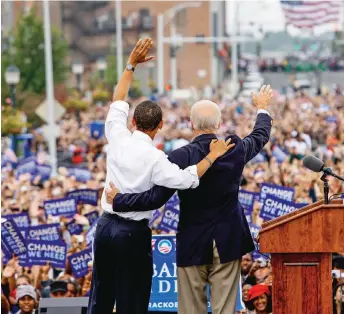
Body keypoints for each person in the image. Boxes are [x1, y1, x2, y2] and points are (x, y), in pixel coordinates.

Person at [87, 38, 234, 314]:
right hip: (131, 233)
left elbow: (118, 99)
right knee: (133, 300)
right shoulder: (157, 159)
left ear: (133, 122)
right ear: (160, 126)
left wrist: (130, 65)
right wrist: (212, 157)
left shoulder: (117, 136)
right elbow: (189, 179)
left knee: (100, 298)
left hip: (104, 227)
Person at [105, 85, 274, 313]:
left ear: (192, 125)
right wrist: (262, 108)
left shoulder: (178, 157)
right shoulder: (234, 150)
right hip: (227, 240)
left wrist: (119, 201)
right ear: (218, 124)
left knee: (191, 310)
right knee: (224, 308)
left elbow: (155, 198)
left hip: (193, 242)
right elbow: (260, 136)